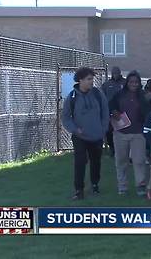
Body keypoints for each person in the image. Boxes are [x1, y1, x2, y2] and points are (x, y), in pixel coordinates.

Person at [62, 67, 109, 200]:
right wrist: (75, 129)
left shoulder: (98, 94)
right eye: (88, 79)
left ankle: (95, 185)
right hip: (80, 136)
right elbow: (66, 117)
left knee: (96, 162)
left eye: (92, 79)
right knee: (80, 162)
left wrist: (103, 128)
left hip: (96, 135)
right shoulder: (72, 97)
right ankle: (79, 190)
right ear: (80, 80)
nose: (91, 82)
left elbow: (105, 112)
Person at [109, 70, 150, 196]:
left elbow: (149, 113)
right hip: (121, 133)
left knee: (139, 161)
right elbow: (110, 106)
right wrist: (114, 112)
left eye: (136, 82)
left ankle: (141, 186)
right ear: (127, 83)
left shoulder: (143, 96)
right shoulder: (119, 94)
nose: (134, 84)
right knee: (121, 161)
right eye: (131, 82)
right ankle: (122, 187)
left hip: (138, 133)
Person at [100, 66, 125, 157]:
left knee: (122, 130)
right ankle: (112, 148)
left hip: (122, 111)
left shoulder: (124, 83)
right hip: (109, 111)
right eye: (114, 73)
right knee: (109, 131)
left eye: (117, 73)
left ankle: (122, 150)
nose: (115, 75)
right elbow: (102, 96)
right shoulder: (107, 84)